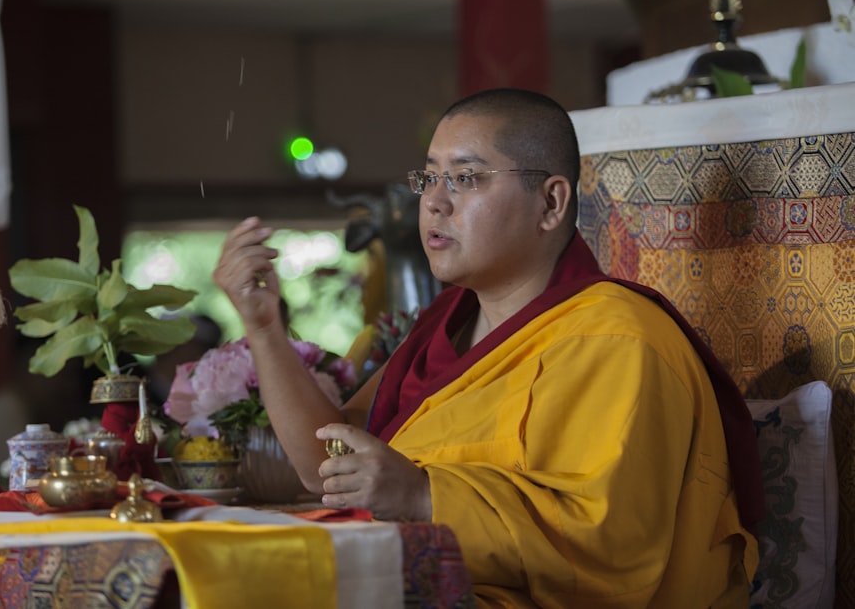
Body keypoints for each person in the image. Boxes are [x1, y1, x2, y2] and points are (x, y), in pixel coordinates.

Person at [214, 88, 763, 608]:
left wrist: (425, 497)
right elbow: (324, 468)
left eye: (467, 177)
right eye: (429, 177)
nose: (434, 202)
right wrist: (263, 329)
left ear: (550, 202)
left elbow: (612, 550)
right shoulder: (442, 327)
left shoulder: (618, 337)